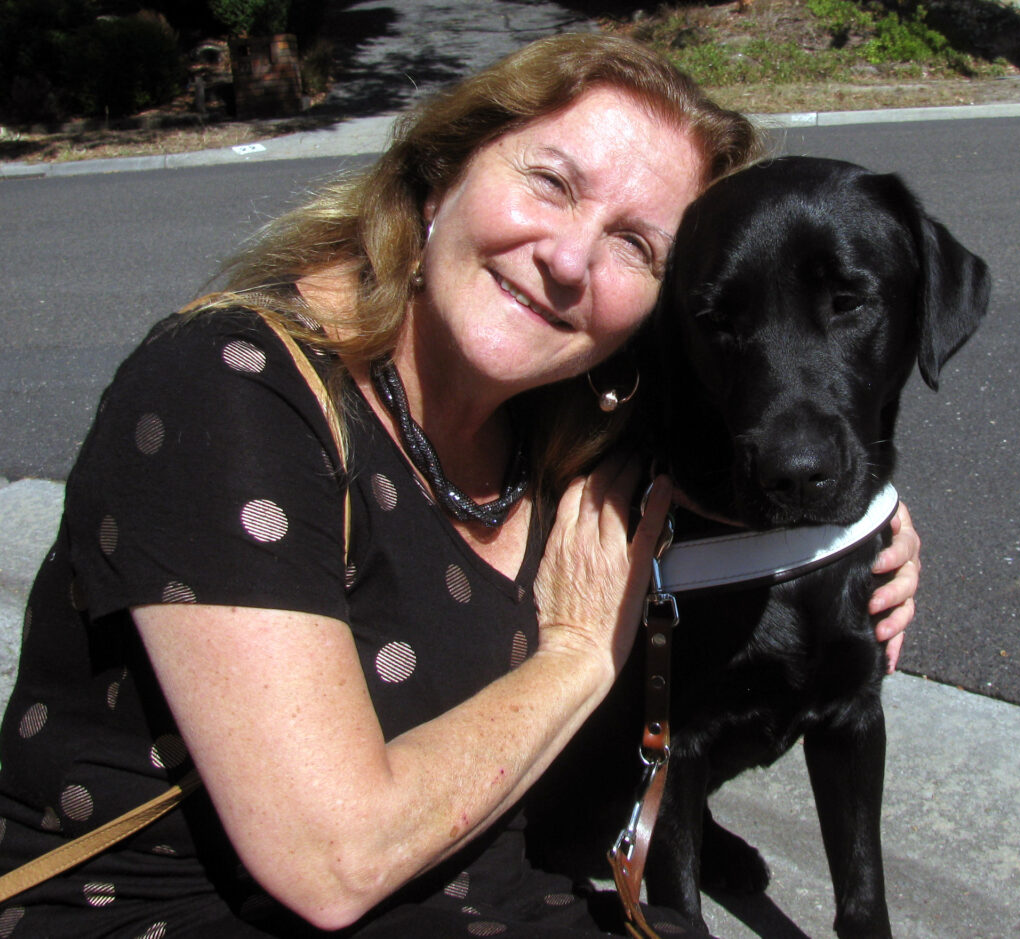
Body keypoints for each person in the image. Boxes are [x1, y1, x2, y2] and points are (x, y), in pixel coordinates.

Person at [0, 33, 919, 938]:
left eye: (636, 245)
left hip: (496, 884)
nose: (568, 258)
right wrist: (575, 655)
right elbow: (333, 861)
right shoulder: (228, 389)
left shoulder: (572, 426)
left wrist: (857, 528)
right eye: (552, 184)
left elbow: (764, 444)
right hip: (185, 909)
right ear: (440, 178)